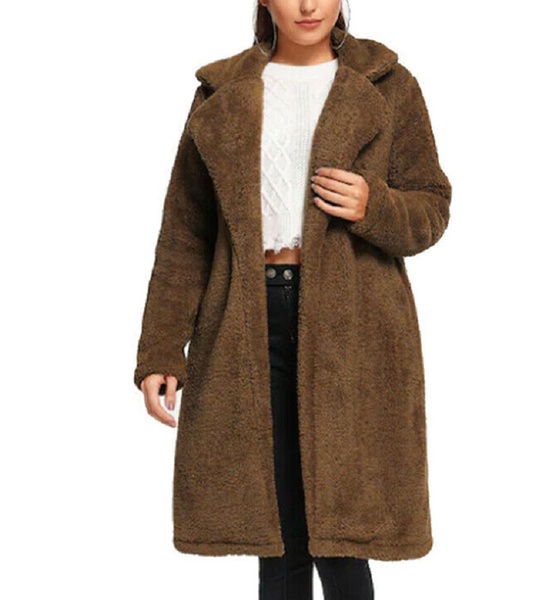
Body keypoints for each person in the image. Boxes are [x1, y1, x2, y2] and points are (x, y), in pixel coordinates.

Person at [134, 1, 452, 599]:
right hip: (246, 320)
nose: (308, 5)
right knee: (276, 533)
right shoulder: (220, 92)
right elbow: (186, 231)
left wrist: (375, 205)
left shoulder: (388, 84)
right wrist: (161, 349)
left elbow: (432, 206)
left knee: (340, 537)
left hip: (352, 325)